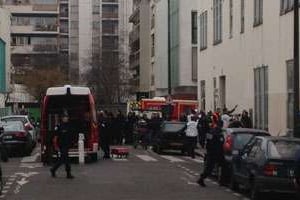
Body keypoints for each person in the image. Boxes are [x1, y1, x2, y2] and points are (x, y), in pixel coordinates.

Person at [197, 118, 225, 187]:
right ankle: (221, 181)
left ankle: (202, 178)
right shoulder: (219, 132)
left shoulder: (211, 131)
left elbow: (208, 142)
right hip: (217, 152)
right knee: (221, 166)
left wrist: (208, 150)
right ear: (221, 125)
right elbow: (221, 143)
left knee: (209, 167)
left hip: (211, 152)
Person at [50, 112, 75, 179]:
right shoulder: (59, 126)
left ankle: (53, 169)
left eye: (66, 117)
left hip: (67, 145)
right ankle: (68, 173)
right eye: (64, 117)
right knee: (66, 159)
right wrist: (56, 146)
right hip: (61, 145)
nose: (66, 118)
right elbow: (55, 137)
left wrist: (72, 143)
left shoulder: (69, 125)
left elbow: (71, 135)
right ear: (62, 118)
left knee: (63, 159)